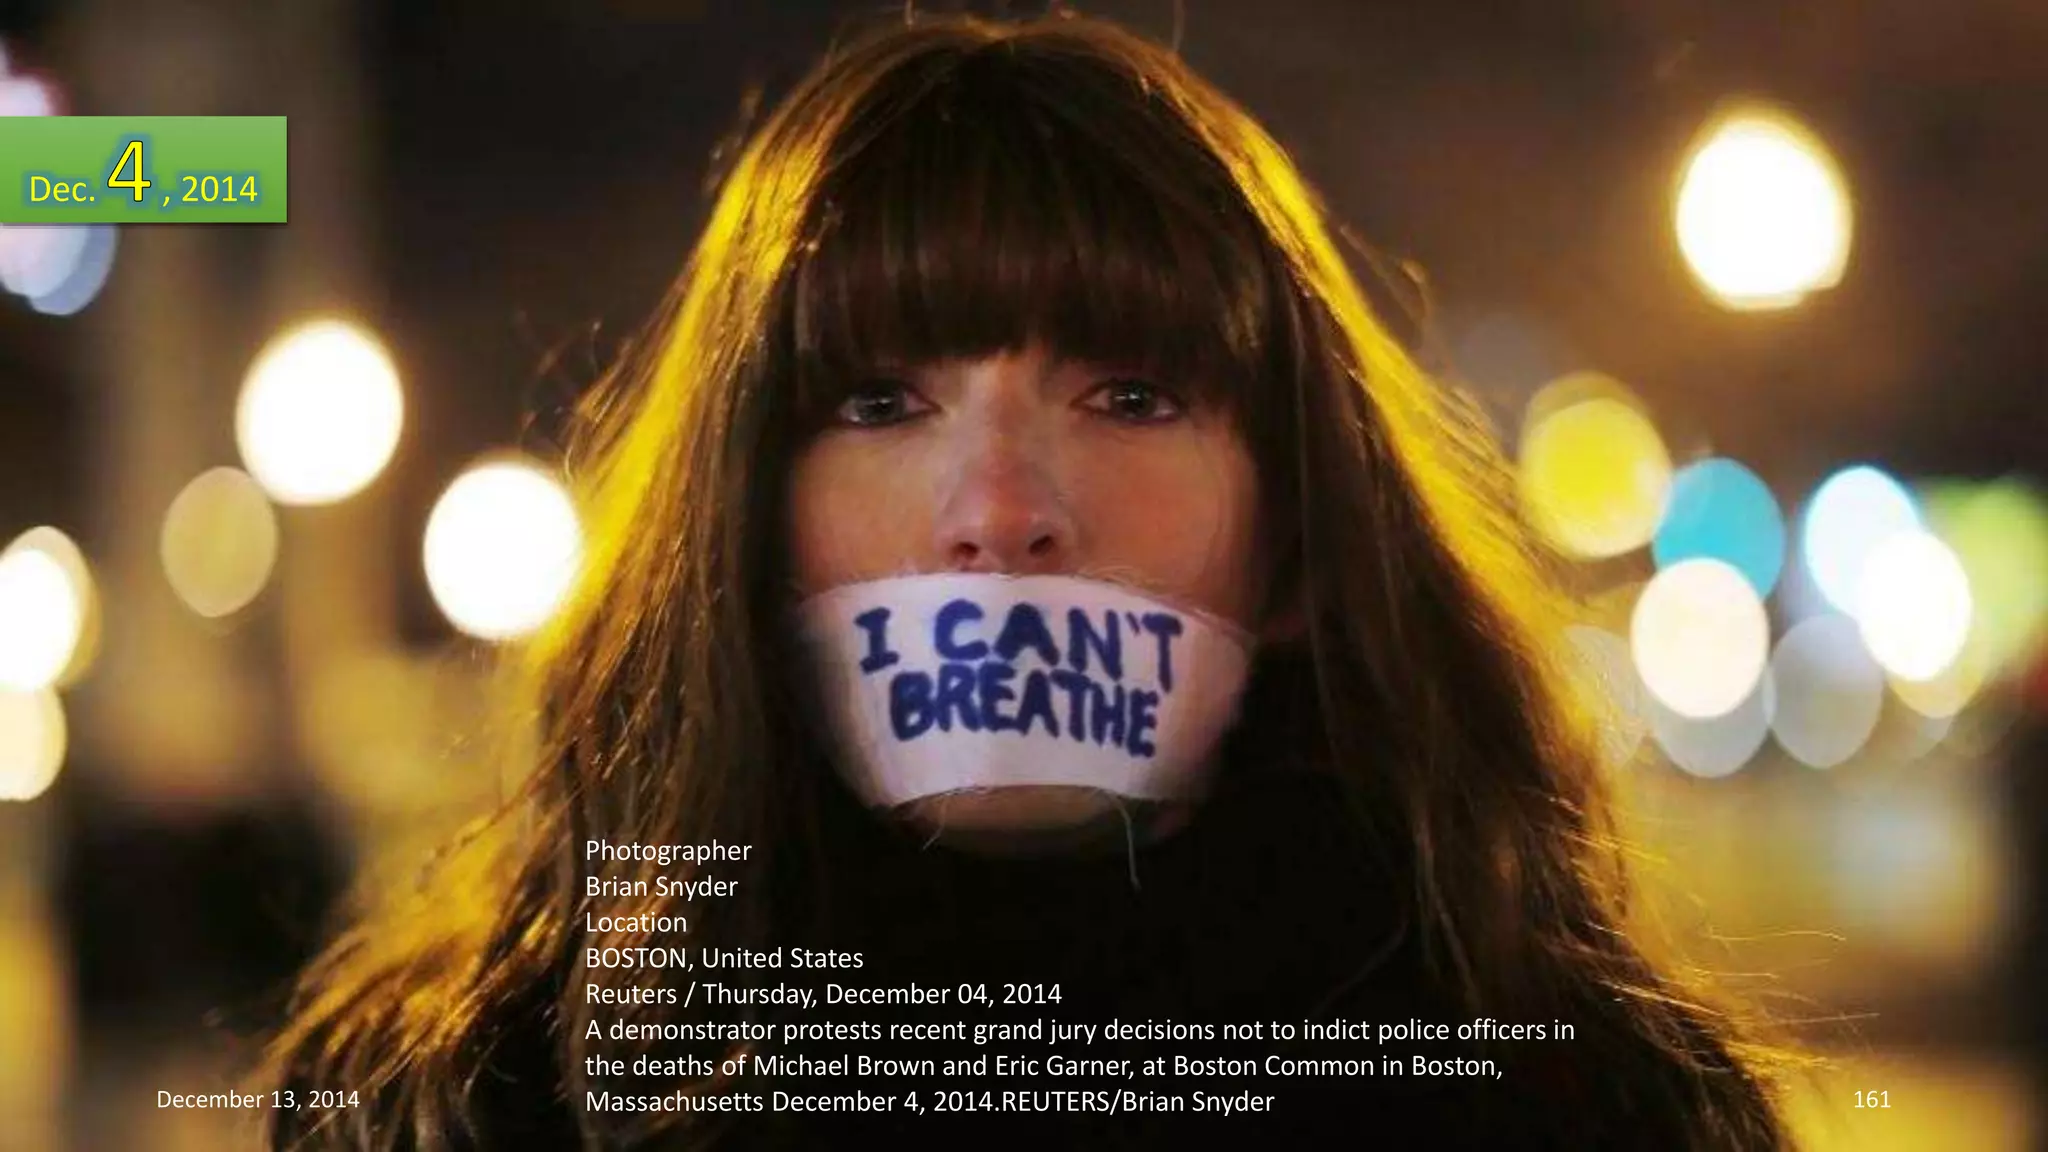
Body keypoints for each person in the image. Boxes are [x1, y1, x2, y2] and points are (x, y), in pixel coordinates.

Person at [260, 11, 1796, 1149]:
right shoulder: (443, 1108)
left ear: (1302, 552)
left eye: (1131, 396)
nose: (998, 514)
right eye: (877, 405)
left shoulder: (1593, 1107)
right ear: (731, 528)